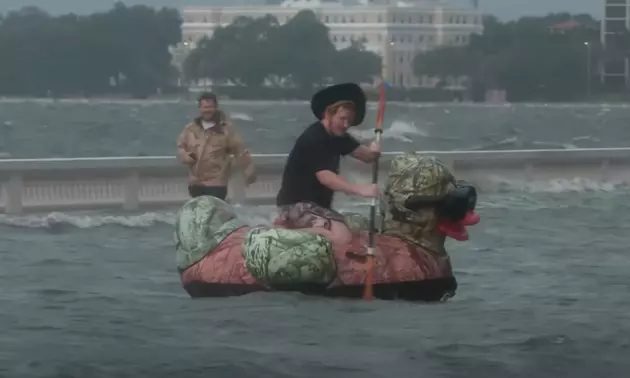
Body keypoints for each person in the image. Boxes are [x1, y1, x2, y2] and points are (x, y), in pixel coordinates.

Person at [275, 83, 381, 250]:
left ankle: (296, 230)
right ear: (328, 114)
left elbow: (365, 155)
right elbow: (326, 177)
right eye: (342, 119)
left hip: (318, 206)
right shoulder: (314, 138)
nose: (346, 124)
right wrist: (360, 189)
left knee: (352, 234)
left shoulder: (339, 136)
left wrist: (374, 152)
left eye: (350, 121)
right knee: (341, 237)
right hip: (296, 205)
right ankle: (281, 232)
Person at [176, 92, 256, 200]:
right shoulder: (190, 129)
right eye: (204, 107)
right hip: (196, 182)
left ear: (216, 107)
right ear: (200, 108)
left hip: (217, 183)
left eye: (210, 107)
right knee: (200, 214)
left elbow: (239, 151)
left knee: (214, 213)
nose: (207, 110)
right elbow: (181, 147)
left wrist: (248, 172)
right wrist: (188, 157)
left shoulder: (226, 129)